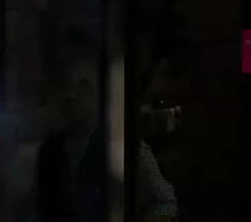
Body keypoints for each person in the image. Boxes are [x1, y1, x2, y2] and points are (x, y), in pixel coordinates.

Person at [35, 58, 178, 222]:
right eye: (64, 85)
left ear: (99, 96)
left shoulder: (125, 145)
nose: (71, 95)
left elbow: (166, 203)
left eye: (83, 87)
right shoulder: (49, 150)